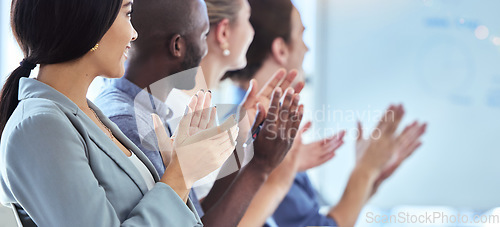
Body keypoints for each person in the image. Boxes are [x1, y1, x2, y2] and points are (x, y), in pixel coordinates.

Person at [0, 0, 237, 226]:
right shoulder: (39, 128)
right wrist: (181, 175)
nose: (133, 34)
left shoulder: (85, 114)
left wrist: (176, 165)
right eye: (127, 14)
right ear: (91, 22)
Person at [94, 0, 304, 226]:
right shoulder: (131, 124)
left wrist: (242, 136)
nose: (206, 50)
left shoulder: (147, 110)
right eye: (204, 35)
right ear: (177, 46)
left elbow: (195, 216)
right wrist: (261, 166)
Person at [224, 0, 428, 226]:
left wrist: (371, 177)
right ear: (280, 49)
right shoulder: (260, 135)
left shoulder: (239, 125)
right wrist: (365, 172)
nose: (307, 48)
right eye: (301, 36)